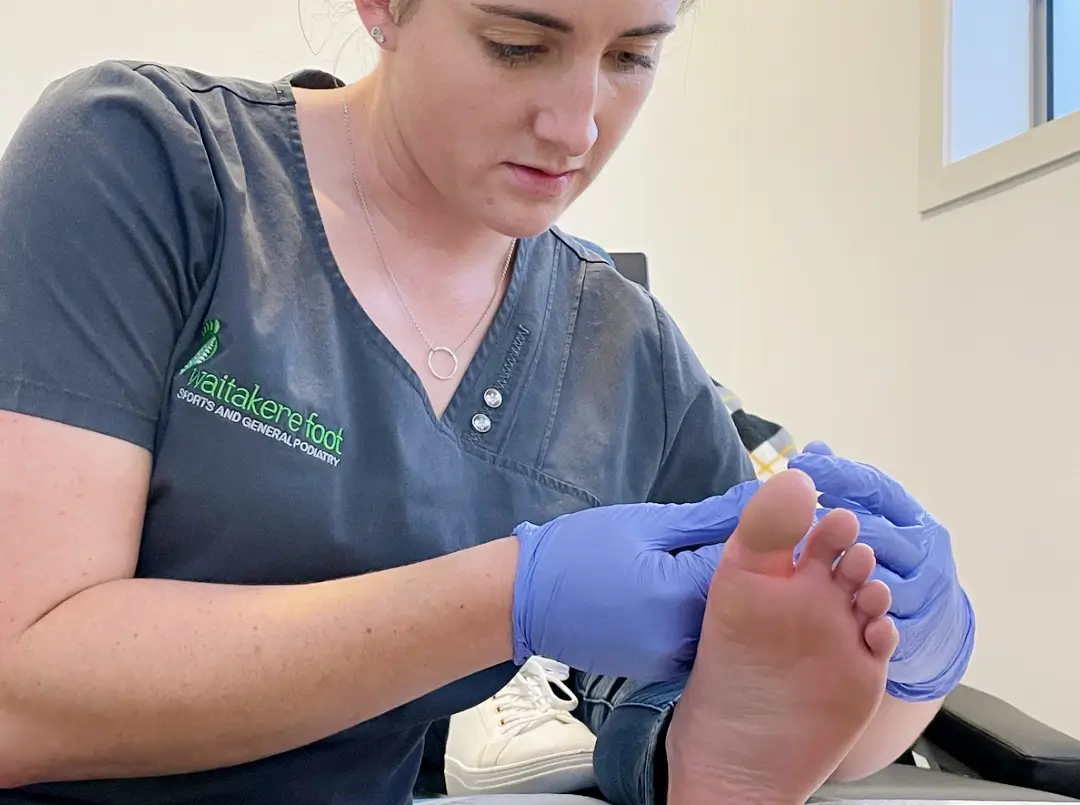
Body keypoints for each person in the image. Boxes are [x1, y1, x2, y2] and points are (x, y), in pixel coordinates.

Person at [0, 0, 976, 803]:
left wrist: (909, 654)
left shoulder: (621, 347)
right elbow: (18, 695)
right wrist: (507, 596)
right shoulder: (147, 164)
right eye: (518, 45)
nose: (578, 124)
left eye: (633, 56)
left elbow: (791, 689)